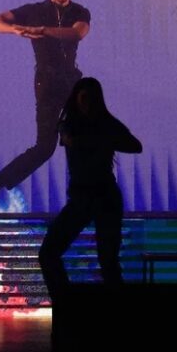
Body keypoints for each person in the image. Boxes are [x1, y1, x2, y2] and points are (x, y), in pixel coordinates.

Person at [0, 0, 91, 213]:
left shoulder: (80, 11)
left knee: (86, 139)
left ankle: (87, 197)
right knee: (45, 148)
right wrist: (14, 29)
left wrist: (42, 31)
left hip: (72, 84)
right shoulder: (34, 11)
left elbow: (77, 33)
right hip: (47, 84)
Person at [39, 77, 142, 306]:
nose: (87, 104)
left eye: (91, 99)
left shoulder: (102, 125)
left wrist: (102, 138)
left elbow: (135, 146)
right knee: (51, 253)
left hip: (102, 198)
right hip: (86, 198)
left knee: (107, 262)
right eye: (85, 98)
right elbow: (67, 136)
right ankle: (67, 307)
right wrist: (102, 139)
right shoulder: (72, 125)